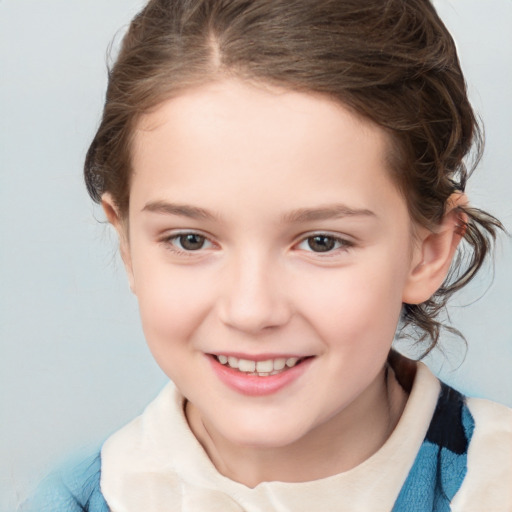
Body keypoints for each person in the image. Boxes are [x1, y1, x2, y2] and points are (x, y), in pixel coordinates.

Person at [22, 0, 512, 510]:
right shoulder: (74, 500)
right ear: (127, 245)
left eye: (322, 242)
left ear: (427, 251)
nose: (251, 310)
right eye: (190, 239)